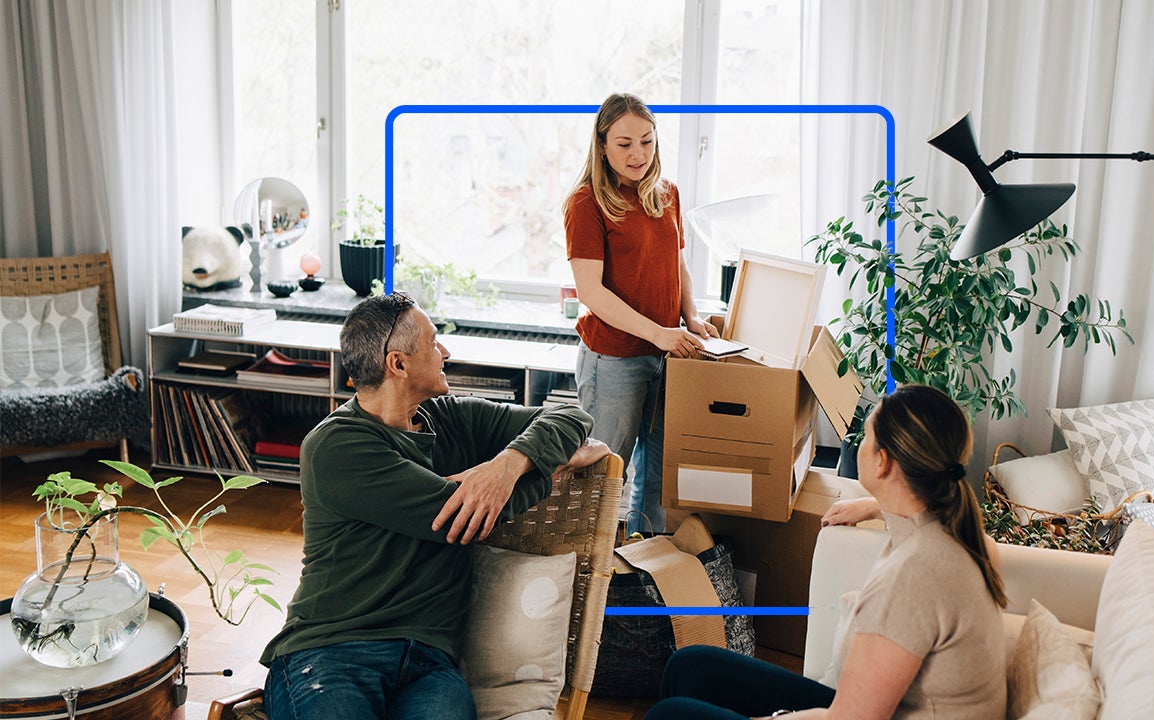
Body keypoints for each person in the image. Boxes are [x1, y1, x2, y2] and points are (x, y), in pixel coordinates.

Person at [260, 291, 609, 720]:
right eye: (433, 341)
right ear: (398, 364)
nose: (445, 351)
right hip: (333, 651)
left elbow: (572, 417)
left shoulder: (450, 418)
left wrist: (506, 466)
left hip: (429, 664)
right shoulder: (334, 446)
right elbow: (456, 519)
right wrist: (543, 471)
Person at [645, 384, 1007, 720]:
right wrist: (873, 504)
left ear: (883, 463)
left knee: (670, 715)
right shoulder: (960, 534)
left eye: (866, 436)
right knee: (690, 666)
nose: (859, 443)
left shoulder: (912, 578)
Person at [564, 91, 718, 533]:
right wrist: (659, 333)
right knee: (605, 474)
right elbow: (591, 292)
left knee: (658, 471)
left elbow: (678, 263)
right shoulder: (586, 203)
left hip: (668, 353)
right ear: (602, 146)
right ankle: (590, 575)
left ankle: (643, 563)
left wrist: (690, 317)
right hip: (614, 359)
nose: (638, 154)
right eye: (625, 143)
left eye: (647, 142)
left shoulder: (666, 194)